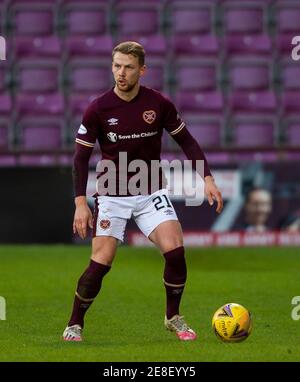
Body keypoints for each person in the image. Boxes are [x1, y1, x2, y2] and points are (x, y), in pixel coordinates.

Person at [62, 41, 223, 342]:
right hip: (112, 193)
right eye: (116, 66)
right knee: (101, 262)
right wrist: (80, 202)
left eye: (128, 67)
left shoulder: (159, 103)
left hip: (150, 191)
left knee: (175, 250)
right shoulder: (98, 108)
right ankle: (74, 323)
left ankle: (173, 317)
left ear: (142, 70)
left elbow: (187, 141)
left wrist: (208, 178)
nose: (121, 73)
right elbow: (80, 157)